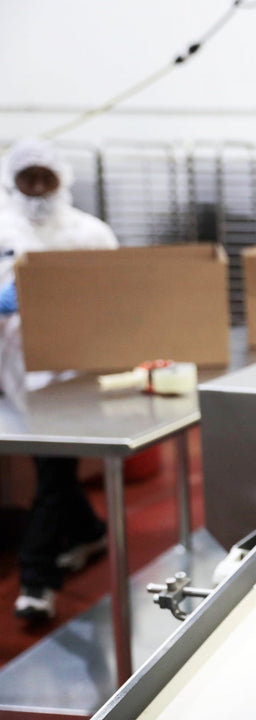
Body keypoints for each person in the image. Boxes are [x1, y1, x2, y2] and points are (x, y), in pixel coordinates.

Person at [0, 138, 119, 621]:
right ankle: (91, 533)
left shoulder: (89, 233)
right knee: (54, 467)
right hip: (11, 368)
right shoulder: (2, 225)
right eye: (27, 177)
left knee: (53, 468)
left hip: (69, 371)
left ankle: (36, 578)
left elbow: (117, 295)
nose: (36, 187)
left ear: (62, 179)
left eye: (45, 177)